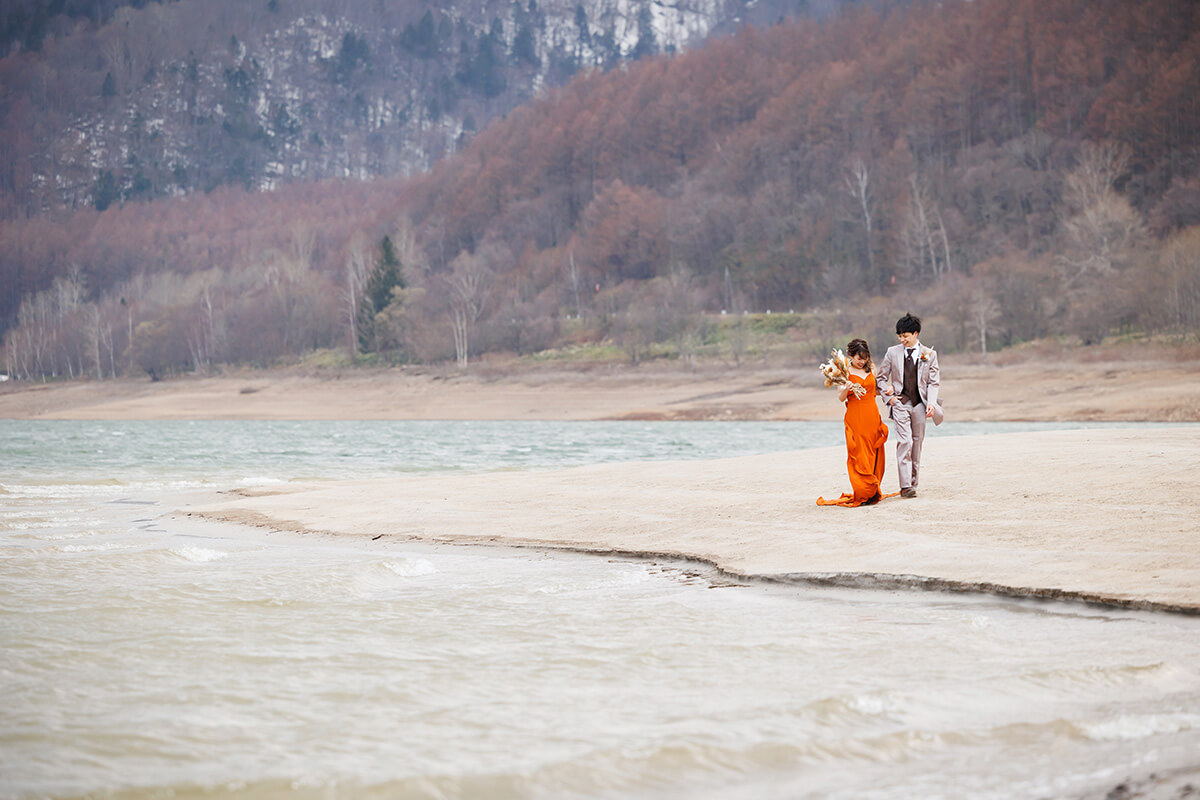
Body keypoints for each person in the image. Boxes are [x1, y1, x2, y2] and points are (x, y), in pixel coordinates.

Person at [875, 312, 943, 498]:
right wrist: (889, 397)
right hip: (899, 403)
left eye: (905, 335)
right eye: (899, 336)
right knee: (904, 441)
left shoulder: (930, 354)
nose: (901, 339)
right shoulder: (892, 352)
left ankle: (913, 483)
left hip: (920, 405)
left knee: (917, 443)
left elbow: (933, 382)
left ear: (915, 334)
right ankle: (905, 487)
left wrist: (931, 403)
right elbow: (880, 379)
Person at [817, 338, 891, 507]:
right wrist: (846, 388)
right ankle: (863, 492)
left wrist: (888, 390)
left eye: (864, 358)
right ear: (850, 355)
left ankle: (872, 490)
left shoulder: (871, 368)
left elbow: (874, 390)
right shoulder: (843, 371)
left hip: (872, 415)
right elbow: (840, 397)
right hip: (855, 417)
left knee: (873, 451)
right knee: (859, 454)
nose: (861, 361)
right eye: (858, 358)